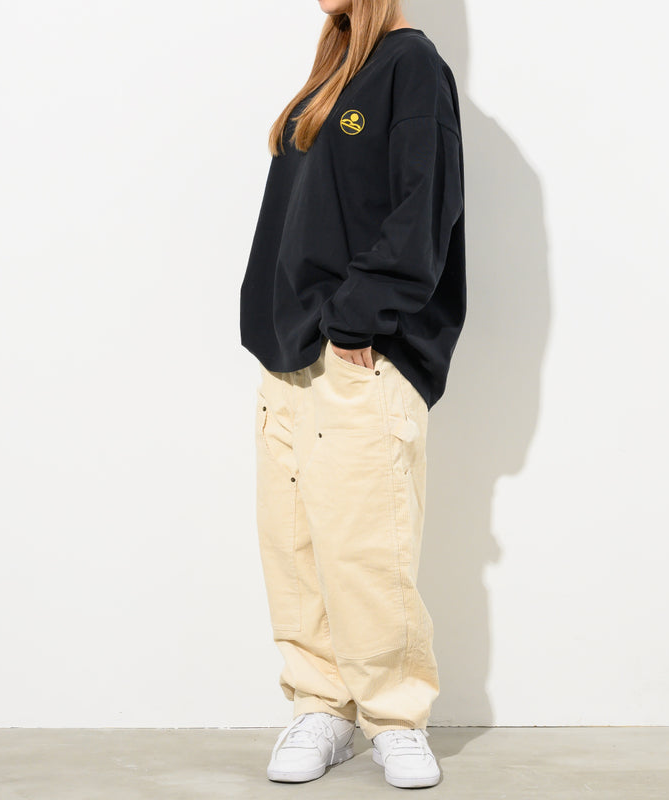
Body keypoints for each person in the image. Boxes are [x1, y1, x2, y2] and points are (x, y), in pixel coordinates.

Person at [239, 0, 465, 789]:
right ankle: (321, 708)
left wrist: (357, 319)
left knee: (367, 551)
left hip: (356, 359)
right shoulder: (333, 70)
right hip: (289, 359)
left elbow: (423, 209)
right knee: (295, 549)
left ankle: (396, 719)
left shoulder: (411, 66)